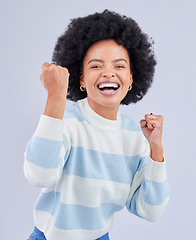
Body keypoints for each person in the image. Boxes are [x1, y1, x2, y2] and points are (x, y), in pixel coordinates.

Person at [24, 9, 170, 240]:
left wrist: (156, 151)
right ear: (81, 79)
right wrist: (55, 98)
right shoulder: (66, 123)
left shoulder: (134, 136)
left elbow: (151, 210)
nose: (108, 73)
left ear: (131, 78)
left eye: (119, 66)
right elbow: (39, 175)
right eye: (95, 66)